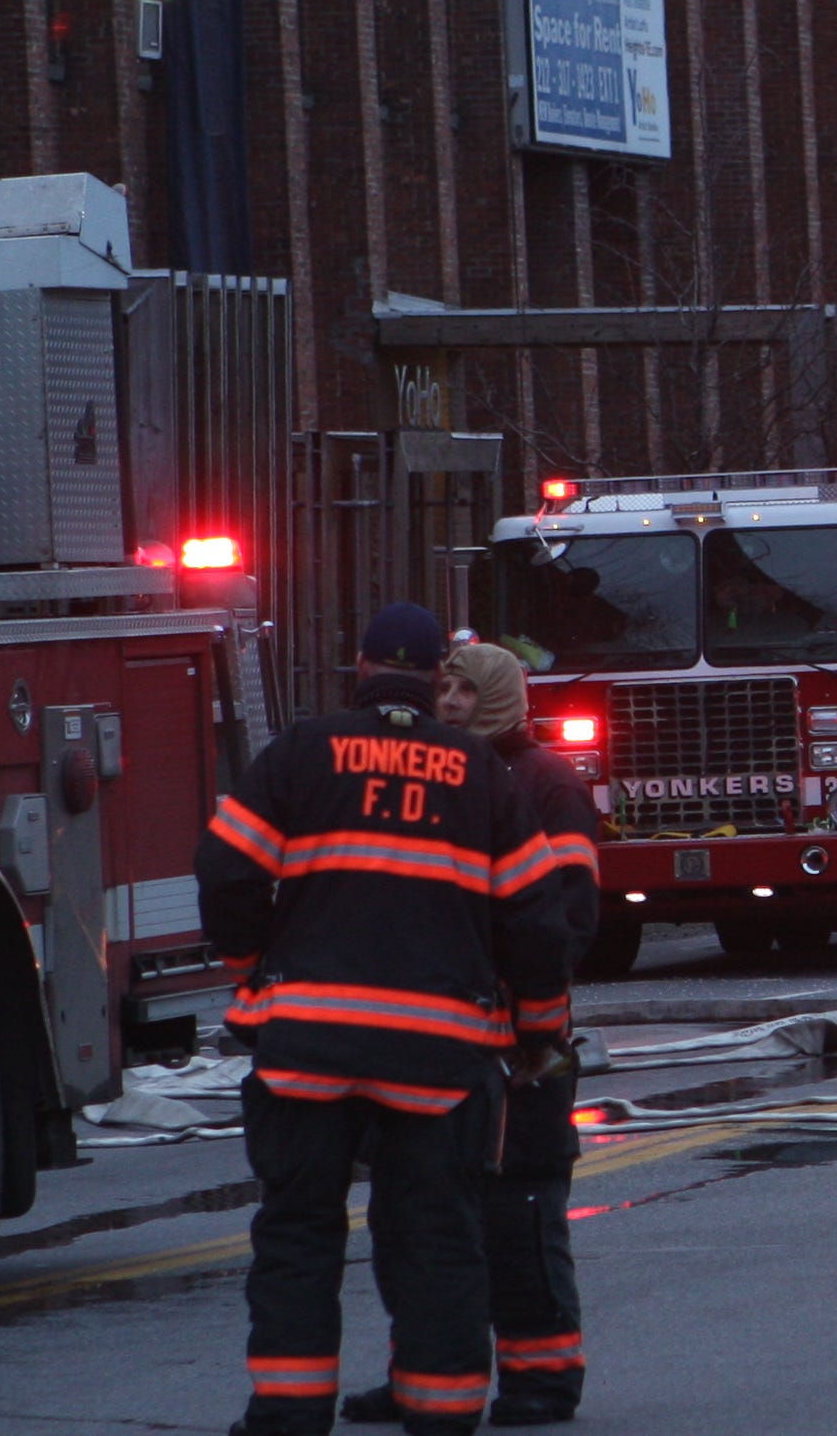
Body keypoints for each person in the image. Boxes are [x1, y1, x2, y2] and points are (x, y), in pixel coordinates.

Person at [201, 605, 591, 1436]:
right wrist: (539, 1035)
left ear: (362, 661)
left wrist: (250, 982)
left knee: (298, 1233)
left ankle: (288, 1411)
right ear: (431, 674)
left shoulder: (304, 751)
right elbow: (535, 922)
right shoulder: (483, 773)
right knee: (436, 1233)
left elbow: (227, 871)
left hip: (304, 1042)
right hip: (439, 1058)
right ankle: (441, 1409)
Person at [340, 642, 600, 1428]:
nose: (448, 700)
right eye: (441, 685)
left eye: (463, 688)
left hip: (518, 1047)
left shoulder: (546, 784)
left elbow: (566, 917)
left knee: (518, 1212)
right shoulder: (434, 775)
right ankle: (423, 1371)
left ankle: (542, 1378)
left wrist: (529, 1025)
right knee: (415, 1216)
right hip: (431, 1041)